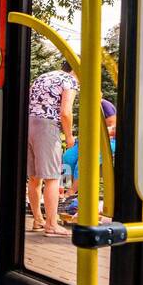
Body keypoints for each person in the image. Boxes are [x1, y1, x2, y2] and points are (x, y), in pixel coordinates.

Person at [27, 65, 78, 236]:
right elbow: (65, 112)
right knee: (53, 177)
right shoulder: (70, 80)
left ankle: (38, 220)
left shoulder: (44, 76)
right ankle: (51, 224)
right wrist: (69, 137)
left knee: (34, 178)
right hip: (46, 127)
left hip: (27, 124)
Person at [61, 99, 116, 212]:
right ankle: (63, 187)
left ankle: (72, 194)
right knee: (68, 156)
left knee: (83, 163)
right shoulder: (86, 105)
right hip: (88, 140)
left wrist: (96, 134)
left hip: (106, 141)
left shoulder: (104, 105)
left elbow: (113, 128)